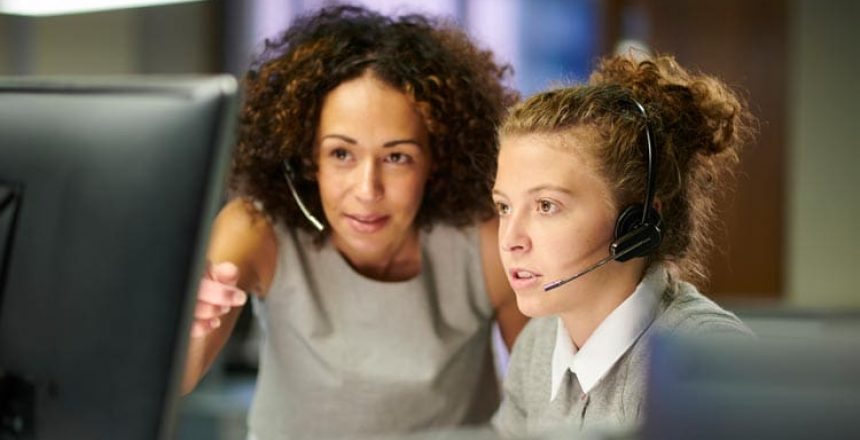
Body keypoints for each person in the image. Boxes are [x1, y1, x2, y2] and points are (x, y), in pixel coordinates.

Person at [180, 5, 527, 439]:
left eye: (397, 157)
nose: (367, 190)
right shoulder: (257, 228)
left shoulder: (486, 241)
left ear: (436, 159)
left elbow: (552, 402)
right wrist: (187, 320)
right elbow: (178, 378)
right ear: (309, 156)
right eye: (341, 154)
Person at [490, 53, 756, 437]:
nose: (510, 239)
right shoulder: (538, 342)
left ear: (637, 222)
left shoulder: (706, 357)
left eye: (546, 206)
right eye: (504, 206)